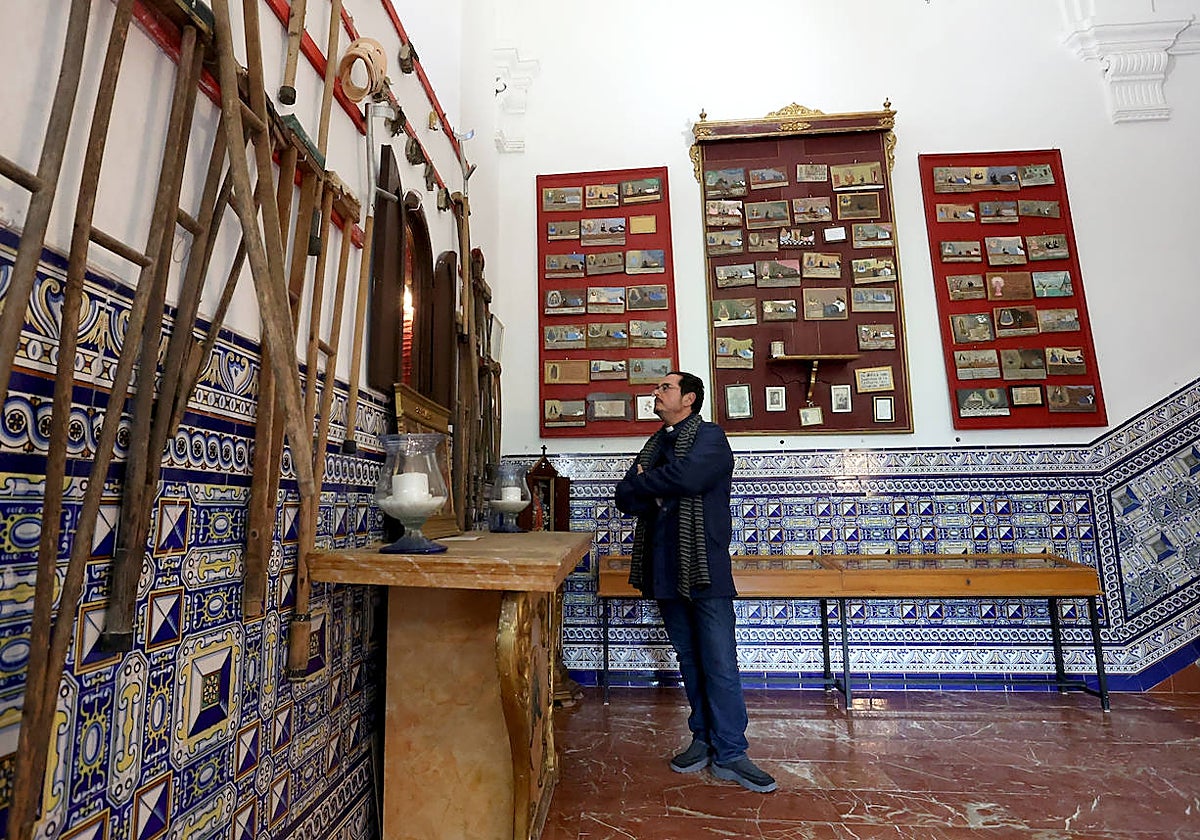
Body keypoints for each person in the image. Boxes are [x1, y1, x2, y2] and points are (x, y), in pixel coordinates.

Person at [614, 371, 777, 793]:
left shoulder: (711, 438)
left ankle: (732, 753)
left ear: (688, 398)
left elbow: (687, 479)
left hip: (704, 570)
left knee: (719, 661)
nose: (655, 392)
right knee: (689, 658)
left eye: (664, 388)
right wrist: (650, 488)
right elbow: (624, 497)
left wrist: (644, 483)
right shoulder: (657, 443)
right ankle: (702, 739)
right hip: (664, 569)